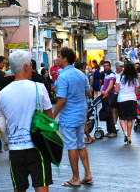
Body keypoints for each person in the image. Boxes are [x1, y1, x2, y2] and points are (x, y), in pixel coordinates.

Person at [0, 49, 54, 192]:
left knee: (19, 188)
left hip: (15, 148)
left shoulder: (3, 94)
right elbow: (49, 118)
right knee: (41, 186)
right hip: (37, 147)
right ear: (26, 67)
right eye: (29, 64)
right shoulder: (39, 88)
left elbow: (1, 120)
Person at [51, 47, 93, 187]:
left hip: (69, 115)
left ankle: (76, 177)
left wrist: (52, 116)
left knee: (71, 145)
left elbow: (62, 100)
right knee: (80, 143)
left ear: (65, 58)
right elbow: (88, 92)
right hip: (81, 113)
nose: (57, 58)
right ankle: (87, 173)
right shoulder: (81, 74)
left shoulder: (63, 77)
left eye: (59, 55)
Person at [114, 62, 139, 144]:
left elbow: (117, 90)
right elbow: (137, 92)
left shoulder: (120, 78)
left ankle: (124, 131)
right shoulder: (135, 79)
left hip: (122, 99)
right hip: (132, 99)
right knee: (130, 118)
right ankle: (129, 136)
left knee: (122, 118)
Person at [98, 61, 118, 138]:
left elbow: (111, 84)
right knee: (107, 113)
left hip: (109, 96)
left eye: (107, 66)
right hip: (105, 95)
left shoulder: (112, 74)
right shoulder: (106, 74)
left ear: (110, 66)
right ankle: (109, 130)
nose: (106, 67)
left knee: (109, 113)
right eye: (105, 66)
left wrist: (106, 91)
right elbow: (104, 84)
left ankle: (113, 131)